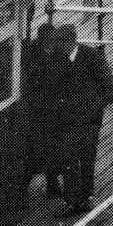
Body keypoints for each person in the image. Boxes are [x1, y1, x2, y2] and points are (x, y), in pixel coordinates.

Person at [54, 24, 113, 214]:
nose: (59, 48)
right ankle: (71, 200)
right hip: (69, 120)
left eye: (61, 44)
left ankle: (87, 196)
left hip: (90, 120)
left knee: (87, 157)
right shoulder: (59, 59)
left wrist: (95, 107)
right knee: (68, 157)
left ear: (70, 42)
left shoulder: (92, 57)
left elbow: (109, 86)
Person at [21, 22, 71, 203]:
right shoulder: (33, 55)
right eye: (49, 40)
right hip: (38, 111)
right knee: (35, 151)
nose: (51, 43)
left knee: (53, 149)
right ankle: (23, 188)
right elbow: (32, 81)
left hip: (54, 110)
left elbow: (66, 75)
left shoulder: (58, 55)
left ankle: (52, 183)